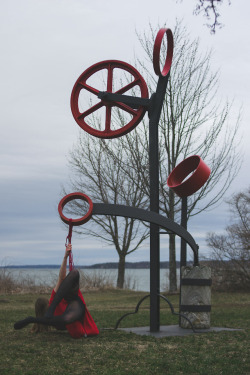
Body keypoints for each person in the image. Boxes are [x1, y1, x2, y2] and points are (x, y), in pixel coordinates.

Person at [14, 244, 99, 339]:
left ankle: (32, 319)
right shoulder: (53, 318)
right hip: (74, 309)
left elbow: (61, 277)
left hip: (72, 304)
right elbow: (61, 277)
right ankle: (31, 319)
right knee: (65, 317)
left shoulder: (53, 301)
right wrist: (65, 257)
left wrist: (65, 257)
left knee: (74, 273)